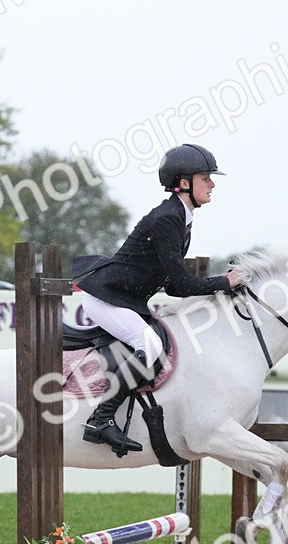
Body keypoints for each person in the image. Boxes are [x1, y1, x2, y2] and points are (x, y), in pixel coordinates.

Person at [74, 143, 246, 454]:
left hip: (123, 298)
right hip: (105, 298)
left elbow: (173, 286)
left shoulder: (180, 217)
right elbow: (180, 282)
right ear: (183, 183)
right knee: (149, 346)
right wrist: (224, 281)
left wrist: (224, 284)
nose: (212, 184)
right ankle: (100, 420)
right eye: (205, 177)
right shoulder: (168, 217)